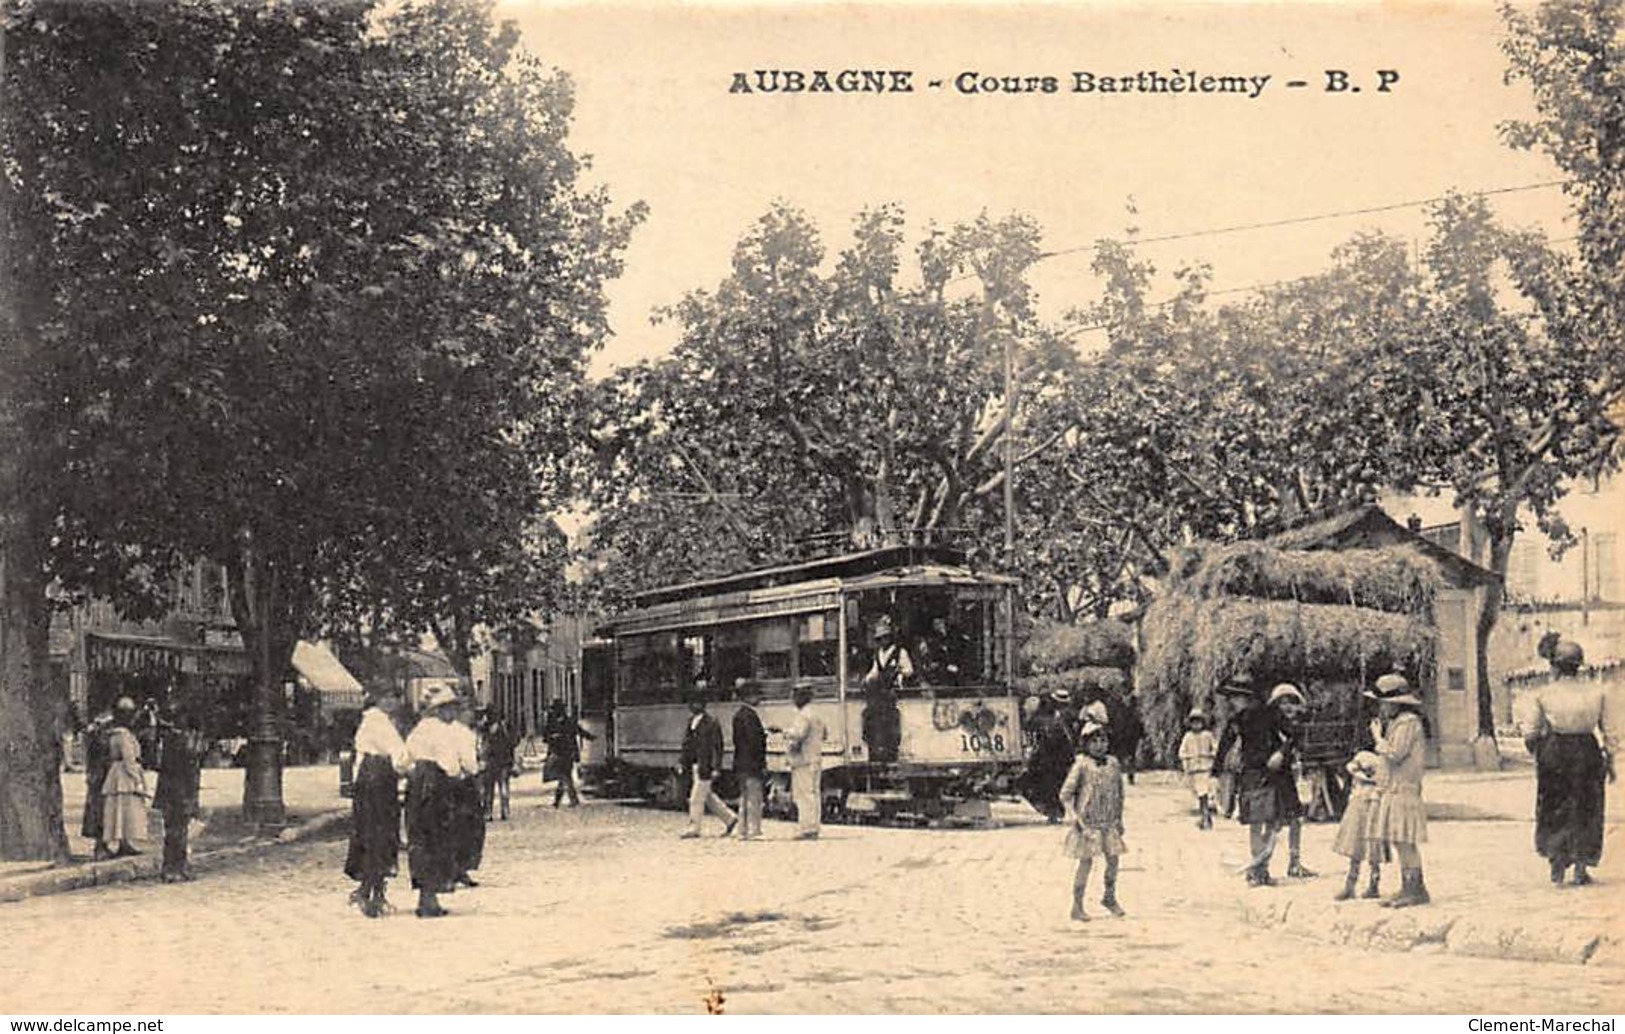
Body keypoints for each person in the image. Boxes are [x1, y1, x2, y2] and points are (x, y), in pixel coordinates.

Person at [1522, 640, 1616, 888]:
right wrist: (1612, 760)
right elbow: (1610, 731)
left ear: (1555, 666)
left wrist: (1539, 754)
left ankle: (1556, 865)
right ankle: (1581, 868)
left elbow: (1530, 733)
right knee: (1587, 806)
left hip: (1555, 752)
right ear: (1579, 666)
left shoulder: (1543, 694)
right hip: (1587, 750)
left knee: (1554, 806)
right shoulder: (1597, 692)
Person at [1211, 677, 1303, 886]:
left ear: (1246, 697)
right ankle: (1258, 869)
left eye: (1234, 697)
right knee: (1254, 823)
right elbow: (1225, 745)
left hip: (1271, 775)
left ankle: (1261, 868)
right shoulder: (1237, 720)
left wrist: (1281, 753)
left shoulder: (1271, 715)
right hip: (1251, 774)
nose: (1231, 702)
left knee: (1271, 823)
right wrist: (1215, 773)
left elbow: (1294, 734)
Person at [404, 686, 479, 918]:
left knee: (419, 839)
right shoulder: (442, 732)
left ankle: (426, 897)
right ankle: (429, 900)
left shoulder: (419, 730)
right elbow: (451, 765)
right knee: (437, 839)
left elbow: (404, 760)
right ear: (441, 711)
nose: (454, 715)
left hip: (417, 785)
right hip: (437, 785)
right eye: (451, 709)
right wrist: (457, 775)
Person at [345, 687, 410, 917]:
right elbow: (399, 754)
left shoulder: (370, 720)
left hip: (367, 779)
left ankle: (372, 890)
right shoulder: (380, 723)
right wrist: (408, 768)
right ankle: (370, 891)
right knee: (380, 834)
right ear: (381, 698)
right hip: (379, 779)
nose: (395, 702)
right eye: (391, 697)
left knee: (371, 833)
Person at [1370, 674, 1431, 908]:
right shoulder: (1399, 723)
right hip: (1395, 788)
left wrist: (1377, 737)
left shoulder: (1408, 723)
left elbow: (1395, 753)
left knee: (1405, 839)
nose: (1381, 708)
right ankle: (1408, 885)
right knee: (1398, 838)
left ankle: (1415, 888)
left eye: (1383, 703)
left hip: (1404, 789)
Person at [1059, 713, 1127, 921]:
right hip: (1087, 824)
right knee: (1086, 863)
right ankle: (1077, 905)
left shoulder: (1113, 764)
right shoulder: (1081, 765)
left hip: (1108, 822)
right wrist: (1074, 817)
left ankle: (1109, 896)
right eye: (1094, 741)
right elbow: (1065, 794)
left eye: (1103, 740)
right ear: (1085, 744)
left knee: (1113, 861)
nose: (1099, 745)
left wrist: (1119, 818)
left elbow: (1119, 792)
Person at [153, 701, 206, 883]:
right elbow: (189, 767)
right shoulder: (182, 741)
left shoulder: (171, 739)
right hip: (180, 792)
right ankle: (176, 868)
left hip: (171, 792)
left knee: (172, 831)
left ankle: (172, 868)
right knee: (178, 832)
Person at [678, 686, 737, 839]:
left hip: (706, 766)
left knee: (696, 797)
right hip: (694, 765)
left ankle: (694, 827)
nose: (693, 706)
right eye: (691, 702)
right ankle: (730, 819)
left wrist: (717, 767)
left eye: (697, 702)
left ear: (703, 704)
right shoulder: (691, 721)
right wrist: (681, 761)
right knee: (708, 798)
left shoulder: (711, 723)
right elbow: (686, 745)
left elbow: (718, 747)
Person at [1333, 747, 1386, 901]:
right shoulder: (1362, 758)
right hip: (1361, 801)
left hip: (1372, 802)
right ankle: (1352, 885)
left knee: (1371, 842)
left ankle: (1372, 884)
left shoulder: (1379, 762)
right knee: (1356, 842)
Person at [101, 697, 149, 858]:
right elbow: (129, 759)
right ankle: (123, 842)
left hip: (117, 772)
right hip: (124, 774)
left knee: (124, 810)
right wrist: (137, 779)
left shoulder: (117, 734)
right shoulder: (124, 736)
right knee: (125, 809)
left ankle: (124, 842)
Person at [861, 615, 908, 763]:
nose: (883, 641)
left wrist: (899, 672)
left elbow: (909, 670)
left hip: (892, 692)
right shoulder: (878, 654)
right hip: (880, 693)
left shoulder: (900, 652)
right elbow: (875, 671)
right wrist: (866, 679)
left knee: (891, 723)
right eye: (880, 639)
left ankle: (891, 752)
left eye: (885, 638)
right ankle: (878, 752)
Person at [781, 685, 826, 840]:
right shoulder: (816, 714)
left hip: (803, 761)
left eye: (795, 696)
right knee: (814, 794)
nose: (793, 700)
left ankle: (806, 828)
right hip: (815, 758)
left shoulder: (803, 715)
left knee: (803, 795)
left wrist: (784, 732)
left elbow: (798, 734)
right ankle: (814, 827)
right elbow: (825, 734)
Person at [450, 701, 486, 888]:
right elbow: (470, 763)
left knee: (457, 826)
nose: (472, 715)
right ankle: (460, 868)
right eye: (469, 711)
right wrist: (477, 767)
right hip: (463, 783)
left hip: (454, 783)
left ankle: (458, 869)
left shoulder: (450, 730)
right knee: (468, 826)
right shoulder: (463, 733)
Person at [732, 681, 768, 841]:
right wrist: (762, 763)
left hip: (740, 761)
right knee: (754, 798)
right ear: (748, 696)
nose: (759, 698)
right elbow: (755, 742)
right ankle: (754, 830)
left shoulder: (738, 715)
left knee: (744, 798)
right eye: (757, 695)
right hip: (752, 763)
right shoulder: (750, 716)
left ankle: (742, 830)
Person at [543, 699, 594, 808]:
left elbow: (579, 731)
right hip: (562, 753)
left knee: (565, 776)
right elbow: (546, 737)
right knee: (565, 776)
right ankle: (567, 799)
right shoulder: (561, 722)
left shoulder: (558, 722)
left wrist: (590, 737)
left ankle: (564, 800)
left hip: (564, 753)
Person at [81, 705, 115, 859]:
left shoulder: (93, 737)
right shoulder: (100, 739)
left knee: (98, 810)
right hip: (101, 777)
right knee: (100, 811)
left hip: (97, 776)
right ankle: (100, 847)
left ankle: (101, 845)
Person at [1177, 708, 1218, 830]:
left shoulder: (1208, 736)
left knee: (1204, 792)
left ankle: (1205, 816)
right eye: (1194, 723)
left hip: (1206, 768)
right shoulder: (1188, 737)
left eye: (1199, 722)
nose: (1196, 725)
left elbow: (1215, 749)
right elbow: (1182, 751)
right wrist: (1187, 759)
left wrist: (1210, 755)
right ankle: (1205, 817)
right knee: (1199, 794)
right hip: (1194, 769)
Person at [482, 710, 518, 822]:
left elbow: (483, 747)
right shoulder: (505, 727)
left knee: (489, 789)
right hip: (504, 761)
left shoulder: (485, 729)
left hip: (491, 762)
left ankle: (488, 812)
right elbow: (515, 741)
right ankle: (505, 811)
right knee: (503, 787)